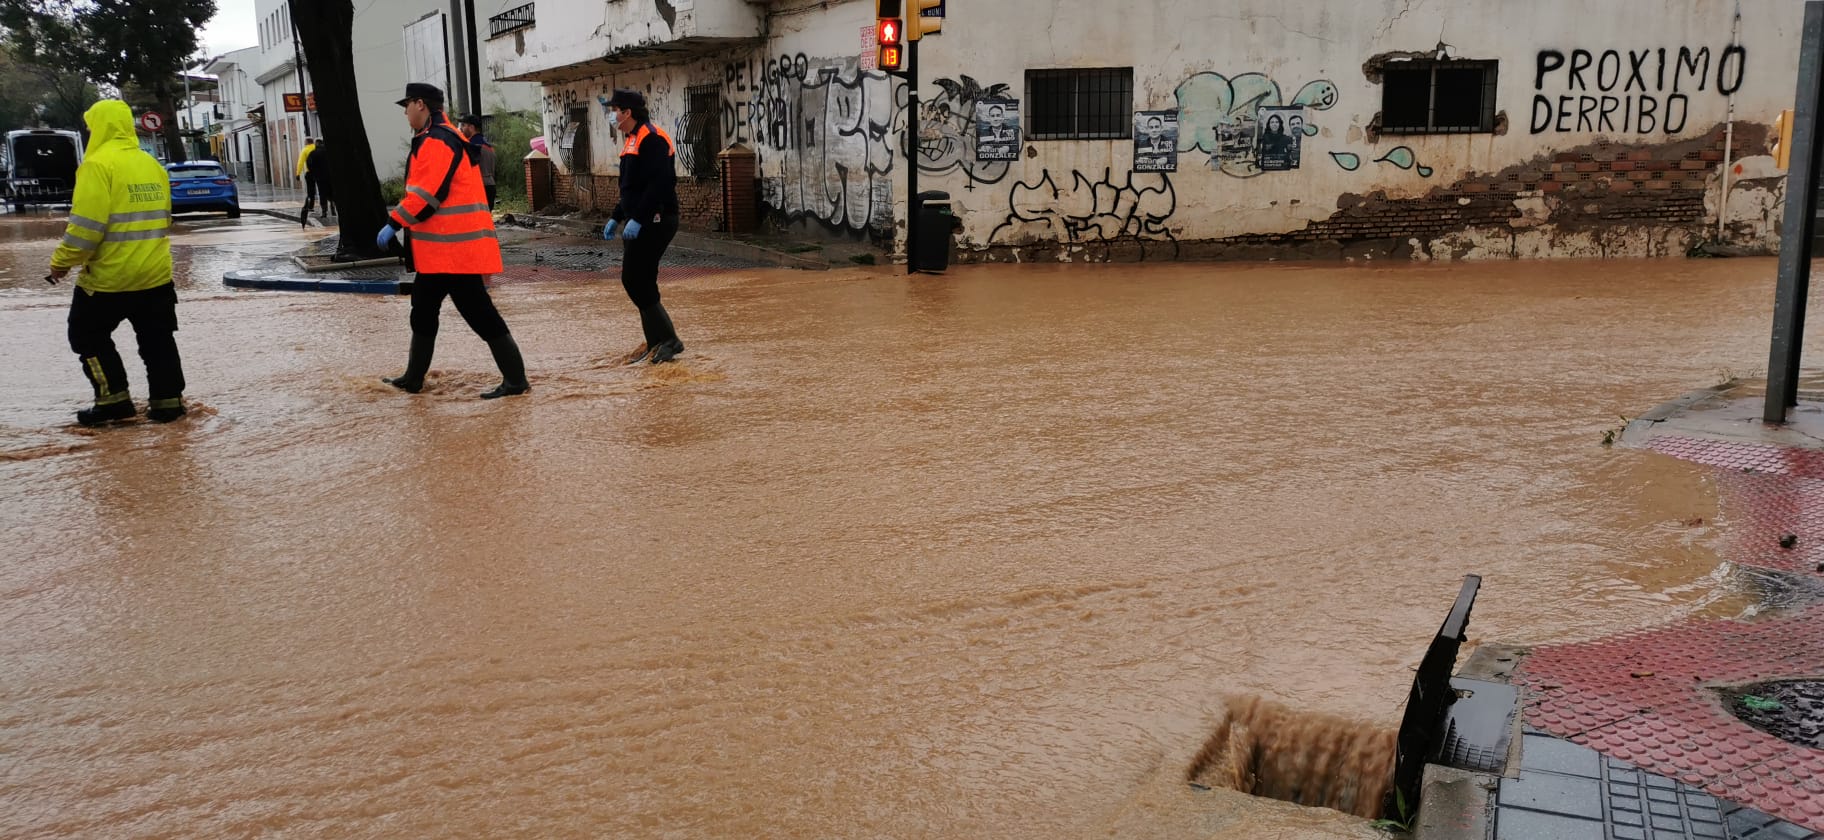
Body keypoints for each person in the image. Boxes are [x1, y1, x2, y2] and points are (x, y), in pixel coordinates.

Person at [376, 83, 529, 399]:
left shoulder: (438, 141)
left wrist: (394, 222)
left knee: (480, 314)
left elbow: (426, 195)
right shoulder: (436, 137)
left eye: (407, 106)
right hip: (442, 253)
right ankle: (413, 378)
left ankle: (516, 382)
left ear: (421, 104)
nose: (405, 113)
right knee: (422, 309)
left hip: (454, 252)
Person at [49, 99, 186, 426]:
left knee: (84, 336)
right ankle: (168, 406)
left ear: (100, 127)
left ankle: (114, 401)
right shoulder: (151, 163)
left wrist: (60, 263)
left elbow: (85, 229)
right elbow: (164, 218)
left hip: (108, 280)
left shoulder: (97, 166)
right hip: (155, 276)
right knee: (158, 342)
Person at [600, 88, 684, 365]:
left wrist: (639, 217)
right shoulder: (632, 139)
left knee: (633, 279)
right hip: (639, 219)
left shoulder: (653, 139)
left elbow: (660, 184)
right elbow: (630, 189)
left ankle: (670, 339)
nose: (612, 115)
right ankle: (656, 343)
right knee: (641, 281)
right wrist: (617, 215)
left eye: (615, 110)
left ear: (628, 112)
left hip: (656, 218)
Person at [458, 114, 498, 210]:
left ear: (471, 127)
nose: (461, 129)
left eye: (463, 125)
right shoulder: (489, 146)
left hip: (478, 187)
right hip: (490, 185)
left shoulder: (472, 146)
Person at [305, 139, 334, 220]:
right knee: (332, 191)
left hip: (319, 177)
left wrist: (314, 173)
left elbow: (309, 164)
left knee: (322, 193)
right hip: (330, 176)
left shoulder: (313, 153)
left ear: (316, 144)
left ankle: (324, 212)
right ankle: (333, 208)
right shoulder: (330, 152)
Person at [296, 136, 317, 226]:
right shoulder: (316, 148)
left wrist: (298, 173)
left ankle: (311, 206)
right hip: (320, 172)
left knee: (310, 190)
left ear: (307, 142)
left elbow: (300, 162)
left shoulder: (305, 150)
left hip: (310, 172)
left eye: (305, 141)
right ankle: (328, 208)